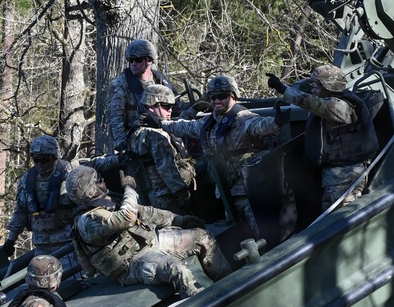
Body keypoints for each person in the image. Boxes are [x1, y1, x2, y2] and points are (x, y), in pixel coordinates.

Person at [67, 165, 232, 299]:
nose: (103, 180)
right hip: (132, 264)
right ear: (90, 189)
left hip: (151, 243)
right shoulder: (88, 221)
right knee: (177, 269)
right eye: (98, 180)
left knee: (203, 237)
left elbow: (146, 212)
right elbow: (128, 216)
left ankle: (229, 285)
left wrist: (180, 220)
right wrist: (129, 188)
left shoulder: (106, 203)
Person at [162, 73, 281, 234]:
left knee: (261, 233)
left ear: (233, 96)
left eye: (222, 96)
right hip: (226, 191)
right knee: (239, 235)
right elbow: (184, 127)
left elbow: (260, 125)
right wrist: (161, 123)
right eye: (213, 96)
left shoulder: (243, 119)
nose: (217, 101)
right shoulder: (209, 122)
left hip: (247, 191)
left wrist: (277, 123)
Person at [272, 63, 382, 209]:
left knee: (340, 218)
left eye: (317, 85)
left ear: (329, 86)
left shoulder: (339, 105)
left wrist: (282, 88)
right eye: (312, 84)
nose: (313, 88)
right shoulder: (330, 101)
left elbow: (312, 103)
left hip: (345, 175)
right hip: (335, 174)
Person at [0, 135, 75, 267]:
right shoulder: (27, 180)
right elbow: (20, 212)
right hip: (42, 243)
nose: (40, 164)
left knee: (71, 279)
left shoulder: (70, 174)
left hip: (67, 241)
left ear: (54, 157)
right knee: (42, 283)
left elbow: (84, 203)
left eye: (44, 160)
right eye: (36, 160)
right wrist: (10, 241)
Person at [126, 84, 196, 210]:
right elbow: (167, 169)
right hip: (167, 197)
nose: (170, 110)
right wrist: (183, 194)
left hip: (153, 196)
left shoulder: (137, 130)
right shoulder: (156, 135)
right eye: (166, 106)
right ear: (151, 106)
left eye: (171, 107)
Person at [108, 38, 176, 152]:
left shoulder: (160, 80)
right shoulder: (119, 86)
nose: (133, 63)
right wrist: (124, 148)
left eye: (138, 60)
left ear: (149, 60)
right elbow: (115, 122)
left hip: (162, 135)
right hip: (134, 141)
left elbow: (175, 106)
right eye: (131, 60)